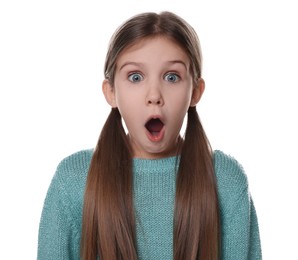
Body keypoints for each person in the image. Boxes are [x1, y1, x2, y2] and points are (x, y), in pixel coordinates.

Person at [37, 11, 262, 260]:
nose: (154, 95)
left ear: (195, 91)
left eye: (171, 77)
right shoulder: (74, 180)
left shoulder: (226, 181)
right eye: (135, 77)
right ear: (111, 92)